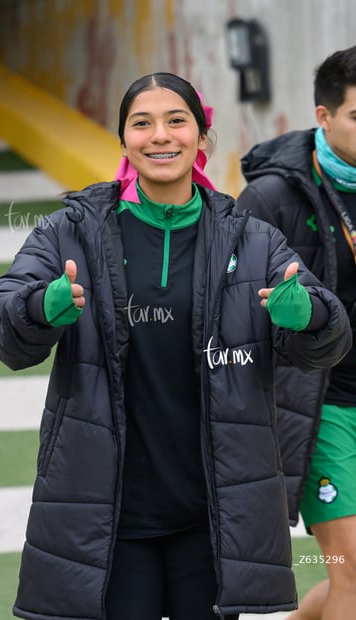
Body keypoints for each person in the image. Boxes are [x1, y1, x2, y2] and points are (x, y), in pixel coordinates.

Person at [0, 72, 351, 620]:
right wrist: (40, 308)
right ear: (125, 139)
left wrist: (310, 315)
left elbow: (329, 337)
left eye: (177, 121)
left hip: (212, 513)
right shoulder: (71, 231)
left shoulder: (251, 238)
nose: (161, 135)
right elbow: (3, 326)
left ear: (202, 137)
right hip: (109, 514)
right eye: (142, 123)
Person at [237, 46, 356, 620]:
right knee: (352, 572)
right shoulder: (272, 195)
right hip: (320, 405)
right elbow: (228, 308)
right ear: (324, 116)